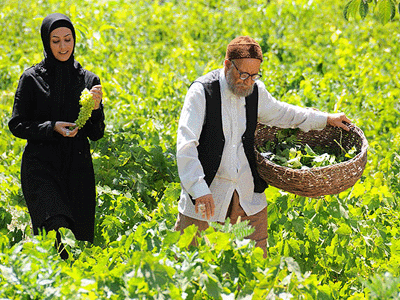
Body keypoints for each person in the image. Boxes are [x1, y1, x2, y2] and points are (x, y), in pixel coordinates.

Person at [174, 36, 351, 257]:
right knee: (193, 265)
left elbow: (285, 114)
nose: (248, 82)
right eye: (243, 74)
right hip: (208, 197)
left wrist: (326, 119)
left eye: (254, 75)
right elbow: (186, 145)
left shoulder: (256, 92)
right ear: (227, 64)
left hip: (247, 198)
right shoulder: (202, 92)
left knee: (253, 269)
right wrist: (199, 189)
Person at [8, 13, 105, 258]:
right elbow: (17, 124)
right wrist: (51, 127)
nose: (63, 46)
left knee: (79, 242)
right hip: (41, 169)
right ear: (46, 42)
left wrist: (95, 110)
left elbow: (96, 134)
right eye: (56, 40)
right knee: (56, 231)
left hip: (77, 171)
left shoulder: (88, 80)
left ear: (74, 40)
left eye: (67, 39)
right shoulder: (32, 79)